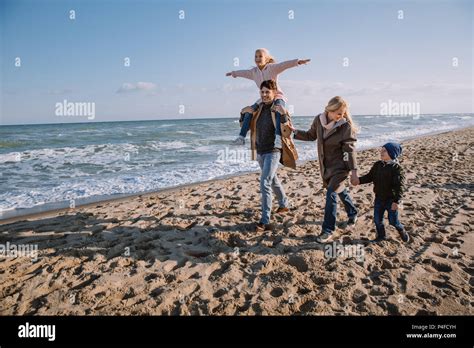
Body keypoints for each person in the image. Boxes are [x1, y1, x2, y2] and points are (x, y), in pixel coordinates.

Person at [292, 96, 359, 243]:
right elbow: (311, 136)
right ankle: (353, 212)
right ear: (330, 110)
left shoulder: (345, 126)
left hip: (341, 167)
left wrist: (354, 171)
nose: (341, 116)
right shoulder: (319, 120)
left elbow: (349, 150)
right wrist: (294, 132)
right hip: (326, 167)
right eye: (338, 113)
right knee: (339, 191)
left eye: (343, 113)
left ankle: (328, 230)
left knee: (331, 194)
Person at [225, 48, 310, 145]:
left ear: (266, 58)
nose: (258, 58)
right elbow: (244, 73)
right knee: (249, 111)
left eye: (260, 56)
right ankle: (241, 137)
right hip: (263, 98)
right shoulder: (254, 72)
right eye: (256, 56)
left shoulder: (272, 68)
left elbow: (284, 65)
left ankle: (278, 137)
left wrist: (297, 62)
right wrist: (234, 73)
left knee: (279, 109)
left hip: (277, 96)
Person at [248, 80, 298, 232]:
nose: (264, 95)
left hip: (274, 150)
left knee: (265, 182)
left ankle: (264, 220)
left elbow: (286, 128)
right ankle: (284, 204)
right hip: (260, 150)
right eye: (262, 92)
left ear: (274, 92)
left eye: (267, 92)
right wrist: (243, 113)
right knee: (273, 179)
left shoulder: (277, 108)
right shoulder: (258, 108)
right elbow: (246, 123)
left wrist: (283, 115)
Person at [354, 142, 409, 243]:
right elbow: (370, 176)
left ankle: (401, 229)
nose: (381, 152)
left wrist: (397, 201)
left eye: (384, 151)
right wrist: (359, 180)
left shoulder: (396, 169)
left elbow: (399, 187)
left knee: (393, 221)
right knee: (377, 220)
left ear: (392, 154)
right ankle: (381, 236)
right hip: (379, 198)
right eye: (381, 150)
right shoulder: (378, 165)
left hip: (391, 200)